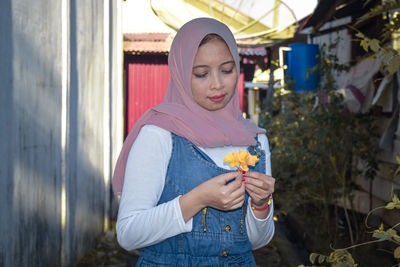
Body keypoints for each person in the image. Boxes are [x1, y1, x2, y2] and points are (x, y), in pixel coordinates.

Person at [113, 17, 275, 266]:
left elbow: (255, 241)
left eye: (227, 70)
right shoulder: (159, 135)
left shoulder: (255, 141)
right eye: (201, 74)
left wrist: (261, 205)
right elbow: (128, 233)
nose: (217, 84)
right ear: (179, 74)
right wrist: (197, 199)